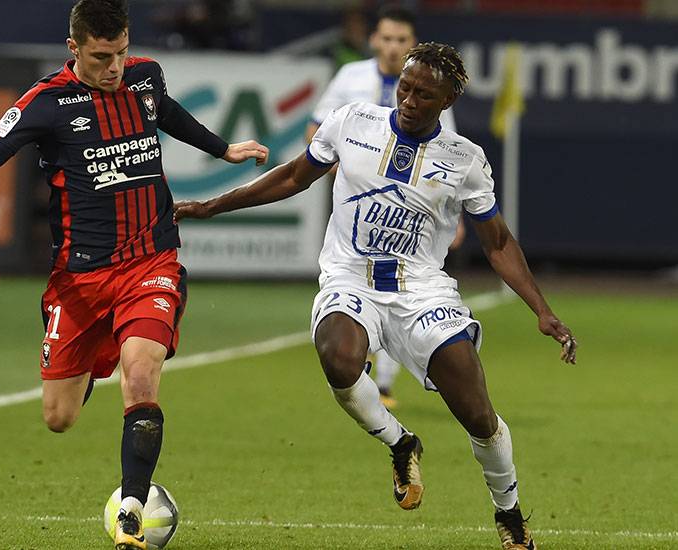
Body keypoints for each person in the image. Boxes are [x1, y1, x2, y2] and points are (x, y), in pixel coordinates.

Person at [175, 42, 577, 550]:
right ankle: (400, 441)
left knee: (476, 412)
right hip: (350, 275)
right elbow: (296, 175)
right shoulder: (352, 122)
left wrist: (542, 311)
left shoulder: (465, 160)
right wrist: (211, 207)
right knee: (340, 357)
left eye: (423, 95)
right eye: (405, 88)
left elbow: (496, 241)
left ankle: (509, 512)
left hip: (420, 287)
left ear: (447, 101)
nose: (408, 100)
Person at [0, 1, 268, 548]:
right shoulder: (47, 101)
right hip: (79, 281)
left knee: (143, 372)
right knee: (58, 418)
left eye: (122, 52)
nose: (116, 67)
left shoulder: (144, 78)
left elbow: (166, 111)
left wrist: (222, 149)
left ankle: (131, 505)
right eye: (103, 57)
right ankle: (93, 363)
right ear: (73, 49)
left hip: (151, 260)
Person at [307, 6, 466, 407]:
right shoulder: (351, 78)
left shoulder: (431, 89)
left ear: (412, 45)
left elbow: (449, 159)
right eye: (387, 39)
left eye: (402, 41)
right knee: (351, 276)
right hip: (357, 202)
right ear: (375, 40)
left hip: (410, 212)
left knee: (400, 285)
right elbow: (316, 128)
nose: (393, 48)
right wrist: (342, 168)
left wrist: (455, 216)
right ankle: (358, 350)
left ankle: (386, 379)